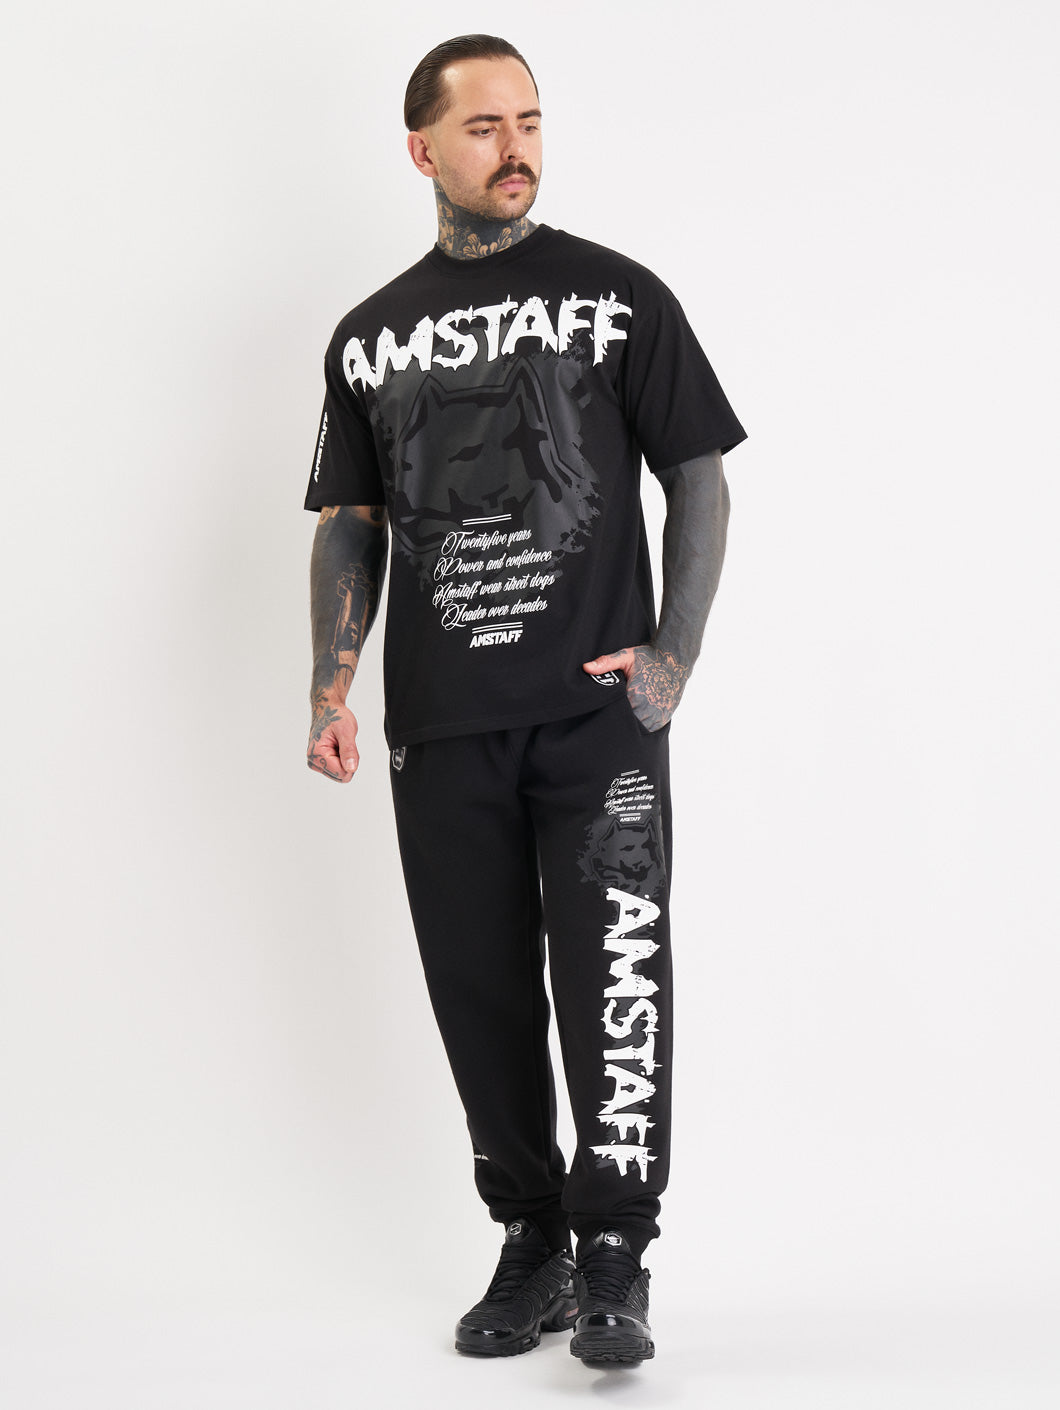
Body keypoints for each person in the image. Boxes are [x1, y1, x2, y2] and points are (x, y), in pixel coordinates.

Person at [304, 34, 746, 1366]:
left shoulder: (618, 296)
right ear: (422, 148)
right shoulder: (368, 337)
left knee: (615, 976)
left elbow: (699, 473)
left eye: (531, 121)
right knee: (478, 991)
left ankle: (615, 1253)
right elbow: (350, 520)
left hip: (598, 720)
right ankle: (533, 1238)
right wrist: (330, 684)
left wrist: (672, 657)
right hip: (440, 728)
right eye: (485, 126)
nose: (517, 148)